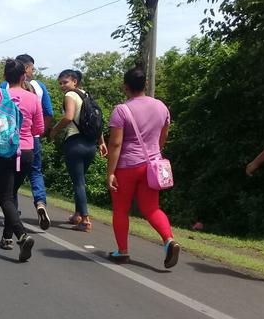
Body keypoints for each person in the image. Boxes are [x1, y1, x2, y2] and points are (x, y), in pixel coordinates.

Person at [106, 67, 180, 268]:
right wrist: (154, 152)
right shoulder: (162, 107)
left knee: (121, 209)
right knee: (151, 208)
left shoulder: (121, 110)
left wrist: (110, 172)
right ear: (146, 84)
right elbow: (162, 137)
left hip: (127, 166)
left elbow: (115, 144)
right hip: (152, 166)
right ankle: (169, 240)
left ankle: (122, 251)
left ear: (125, 87)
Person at [0, 59, 44, 262]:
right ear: (23, 76)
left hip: (3, 152)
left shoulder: (0, 95)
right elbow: (39, 129)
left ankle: (22, 236)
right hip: (26, 152)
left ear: (4, 77)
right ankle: (6, 238)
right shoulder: (33, 98)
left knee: (6, 198)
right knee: (12, 194)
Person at [49, 70, 107, 232]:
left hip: (75, 143)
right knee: (79, 180)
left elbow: (68, 117)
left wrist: (54, 129)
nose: (62, 86)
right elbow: (96, 123)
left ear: (75, 81)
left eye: (65, 82)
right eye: (60, 83)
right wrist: (101, 142)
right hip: (90, 145)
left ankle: (86, 220)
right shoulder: (87, 96)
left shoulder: (70, 96)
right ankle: (77, 215)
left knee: (78, 182)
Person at [0, 54, 53, 231]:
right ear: (26, 70)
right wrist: (38, 134)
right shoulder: (39, 87)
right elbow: (48, 113)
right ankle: (40, 203)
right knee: (36, 173)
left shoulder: (3, 88)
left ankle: (13, 218)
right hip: (31, 142)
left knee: (10, 184)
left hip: (7, 143)